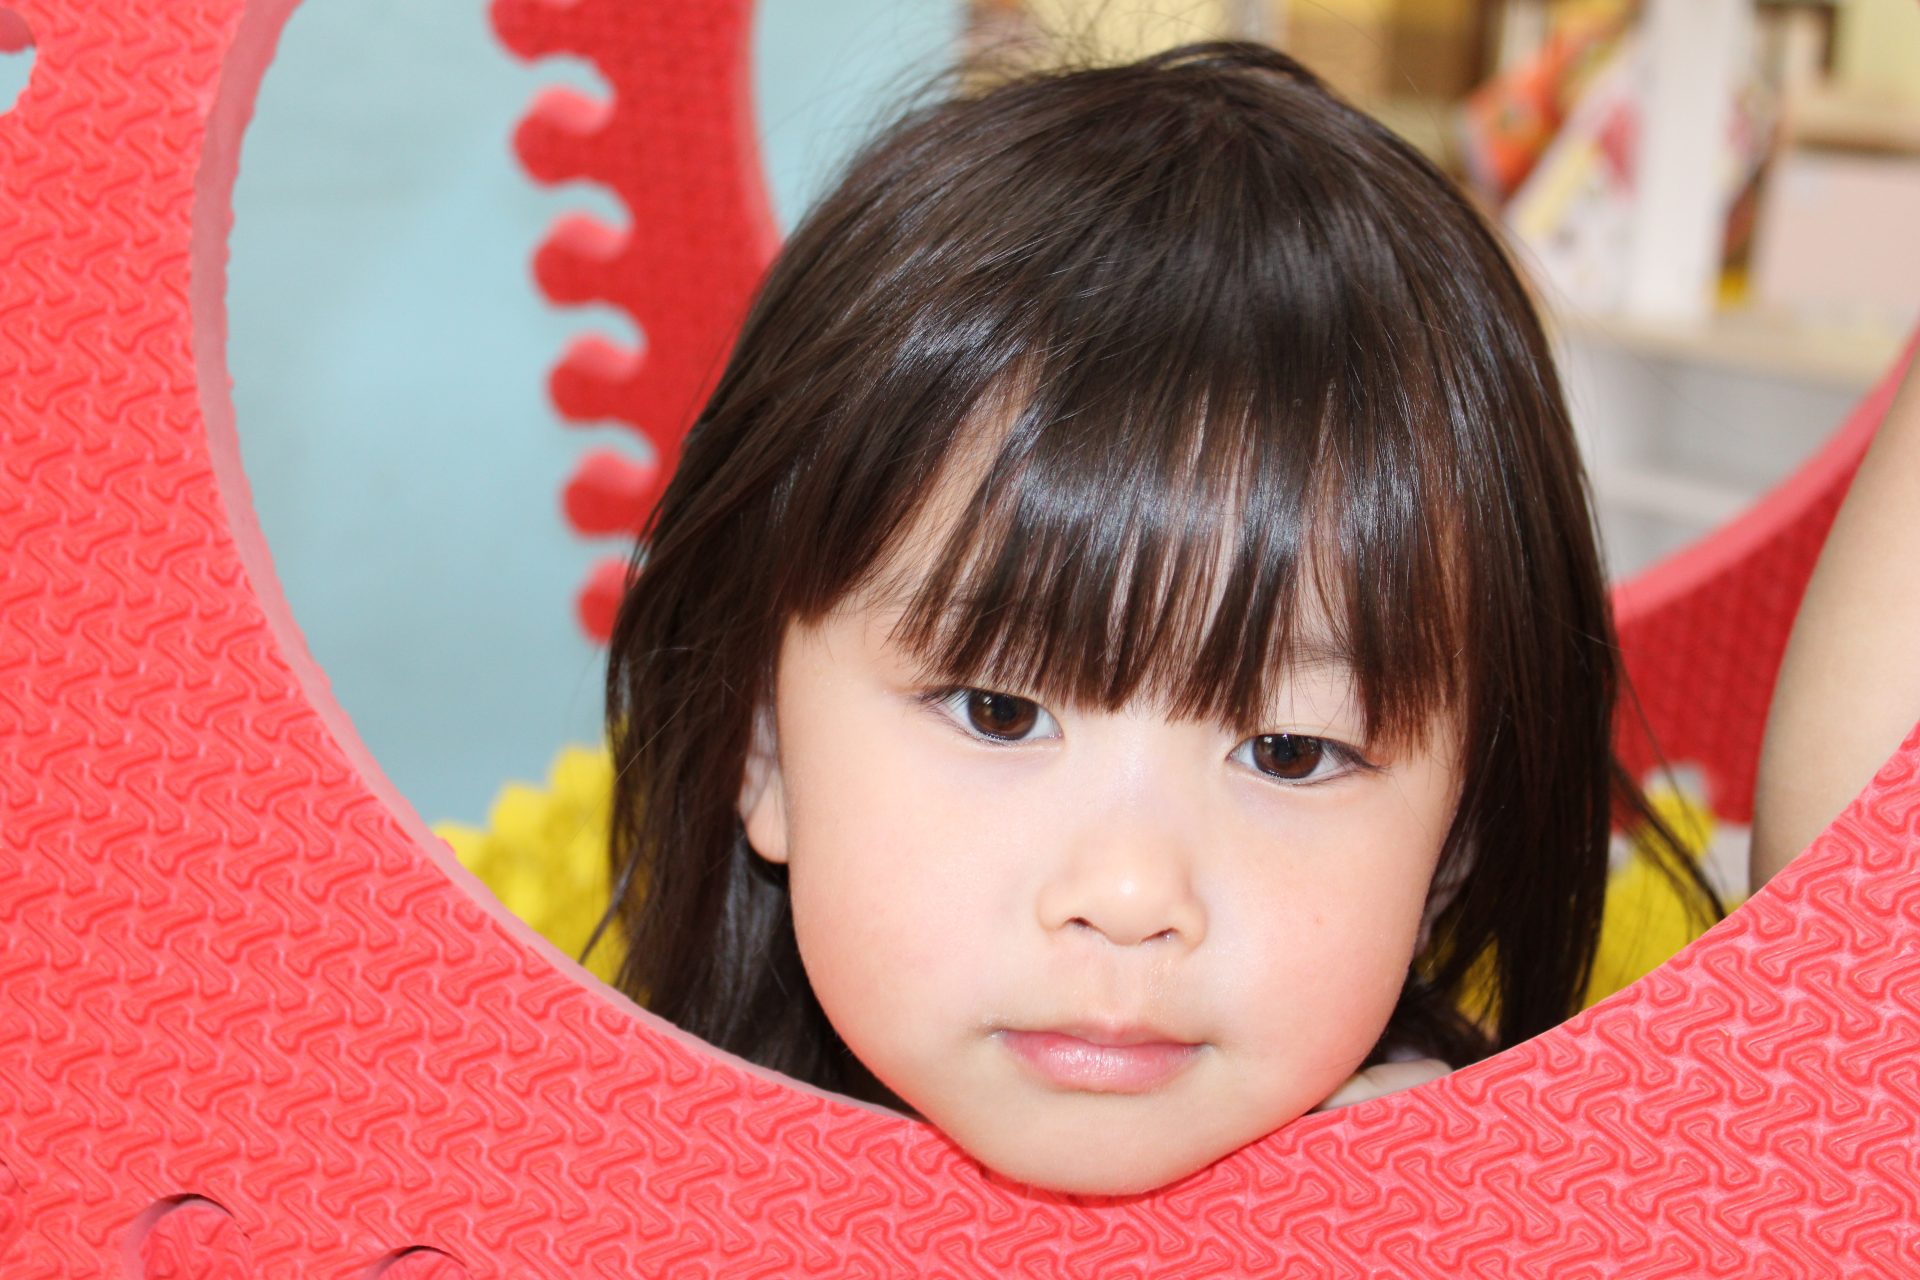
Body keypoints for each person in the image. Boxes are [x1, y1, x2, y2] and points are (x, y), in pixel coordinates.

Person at [589, 41, 1721, 1197]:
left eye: (1290, 750)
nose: (1129, 894)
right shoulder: (593, 1197)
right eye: (999, 710)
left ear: (1458, 833)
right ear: (765, 745)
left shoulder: (1522, 1226)